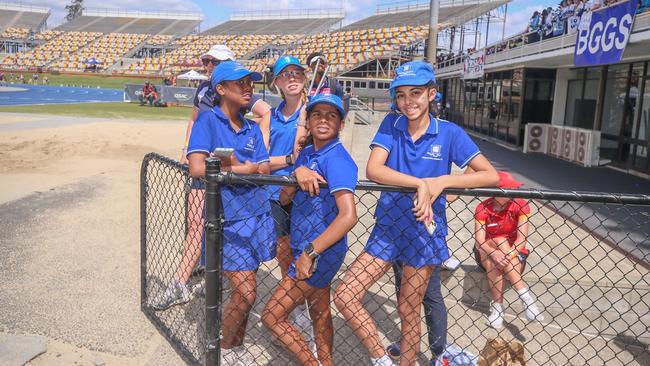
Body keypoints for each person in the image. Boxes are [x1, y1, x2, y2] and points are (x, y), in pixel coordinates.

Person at [334, 61, 499, 366]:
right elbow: (374, 169)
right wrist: (420, 184)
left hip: (424, 234)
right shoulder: (391, 125)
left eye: (416, 93)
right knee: (345, 294)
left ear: (431, 94)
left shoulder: (449, 133)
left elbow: (490, 176)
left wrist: (441, 181)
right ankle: (381, 359)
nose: (408, 101)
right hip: (388, 230)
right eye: (401, 95)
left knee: (408, 310)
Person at [153, 45, 272, 311]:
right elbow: (195, 121)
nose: (209, 65)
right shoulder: (205, 91)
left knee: (220, 227)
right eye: (207, 60)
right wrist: (188, 149)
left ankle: (213, 276)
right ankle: (185, 281)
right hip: (208, 163)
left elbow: (266, 113)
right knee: (198, 224)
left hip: (229, 177)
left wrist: (253, 152)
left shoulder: (237, 89)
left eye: (214, 61)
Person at [186, 60, 275, 365]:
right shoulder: (208, 121)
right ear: (221, 89)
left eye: (250, 83)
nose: (249, 88)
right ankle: (224, 349)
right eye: (241, 84)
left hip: (256, 215)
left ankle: (235, 346)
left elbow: (263, 166)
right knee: (247, 292)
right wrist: (243, 167)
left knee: (247, 288)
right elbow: (197, 168)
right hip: (228, 220)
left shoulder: (250, 125)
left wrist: (232, 166)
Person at [262, 93, 358, 366]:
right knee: (320, 311)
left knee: (273, 316)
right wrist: (295, 174)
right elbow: (284, 199)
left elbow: (349, 216)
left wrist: (309, 253)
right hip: (306, 244)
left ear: (341, 124)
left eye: (331, 115)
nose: (323, 120)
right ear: (308, 120)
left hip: (319, 252)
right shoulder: (307, 153)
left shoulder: (336, 158)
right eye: (317, 114)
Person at [474, 171, 544, 329]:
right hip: (486, 250)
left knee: (497, 258)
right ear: (496, 192)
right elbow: (479, 241)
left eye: (514, 188)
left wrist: (507, 255)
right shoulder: (482, 207)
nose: (513, 192)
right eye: (509, 189)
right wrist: (494, 253)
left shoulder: (521, 204)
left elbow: (522, 239)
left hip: (514, 253)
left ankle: (498, 308)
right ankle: (526, 298)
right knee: (499, 241)